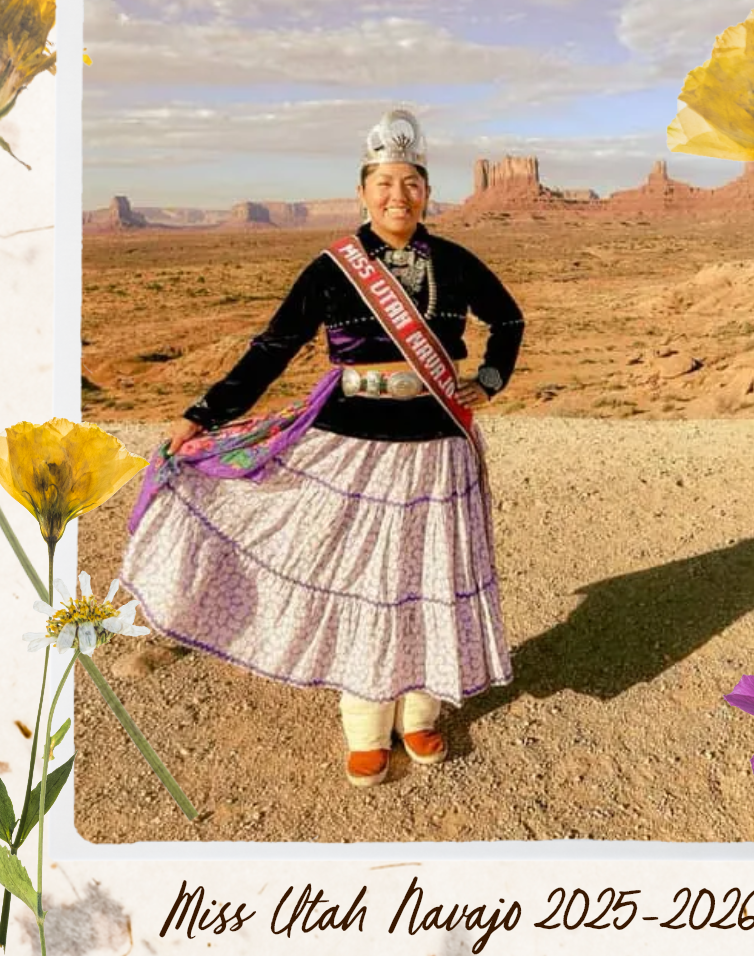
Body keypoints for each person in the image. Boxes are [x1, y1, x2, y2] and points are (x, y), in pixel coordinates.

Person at [122, 108, 524, 788]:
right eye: (384, 183)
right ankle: (366, 725)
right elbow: (272, 350)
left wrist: (489, 377)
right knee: (366, 583)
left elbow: (507, 318)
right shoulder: (332, 268)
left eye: (411, 183)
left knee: (429, 576)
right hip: (352, 444)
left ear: (427, 190)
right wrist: (203, 414)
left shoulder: (454, 263)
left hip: (436, 442)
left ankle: (420, 714)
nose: (398, 196)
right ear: (364, 190)